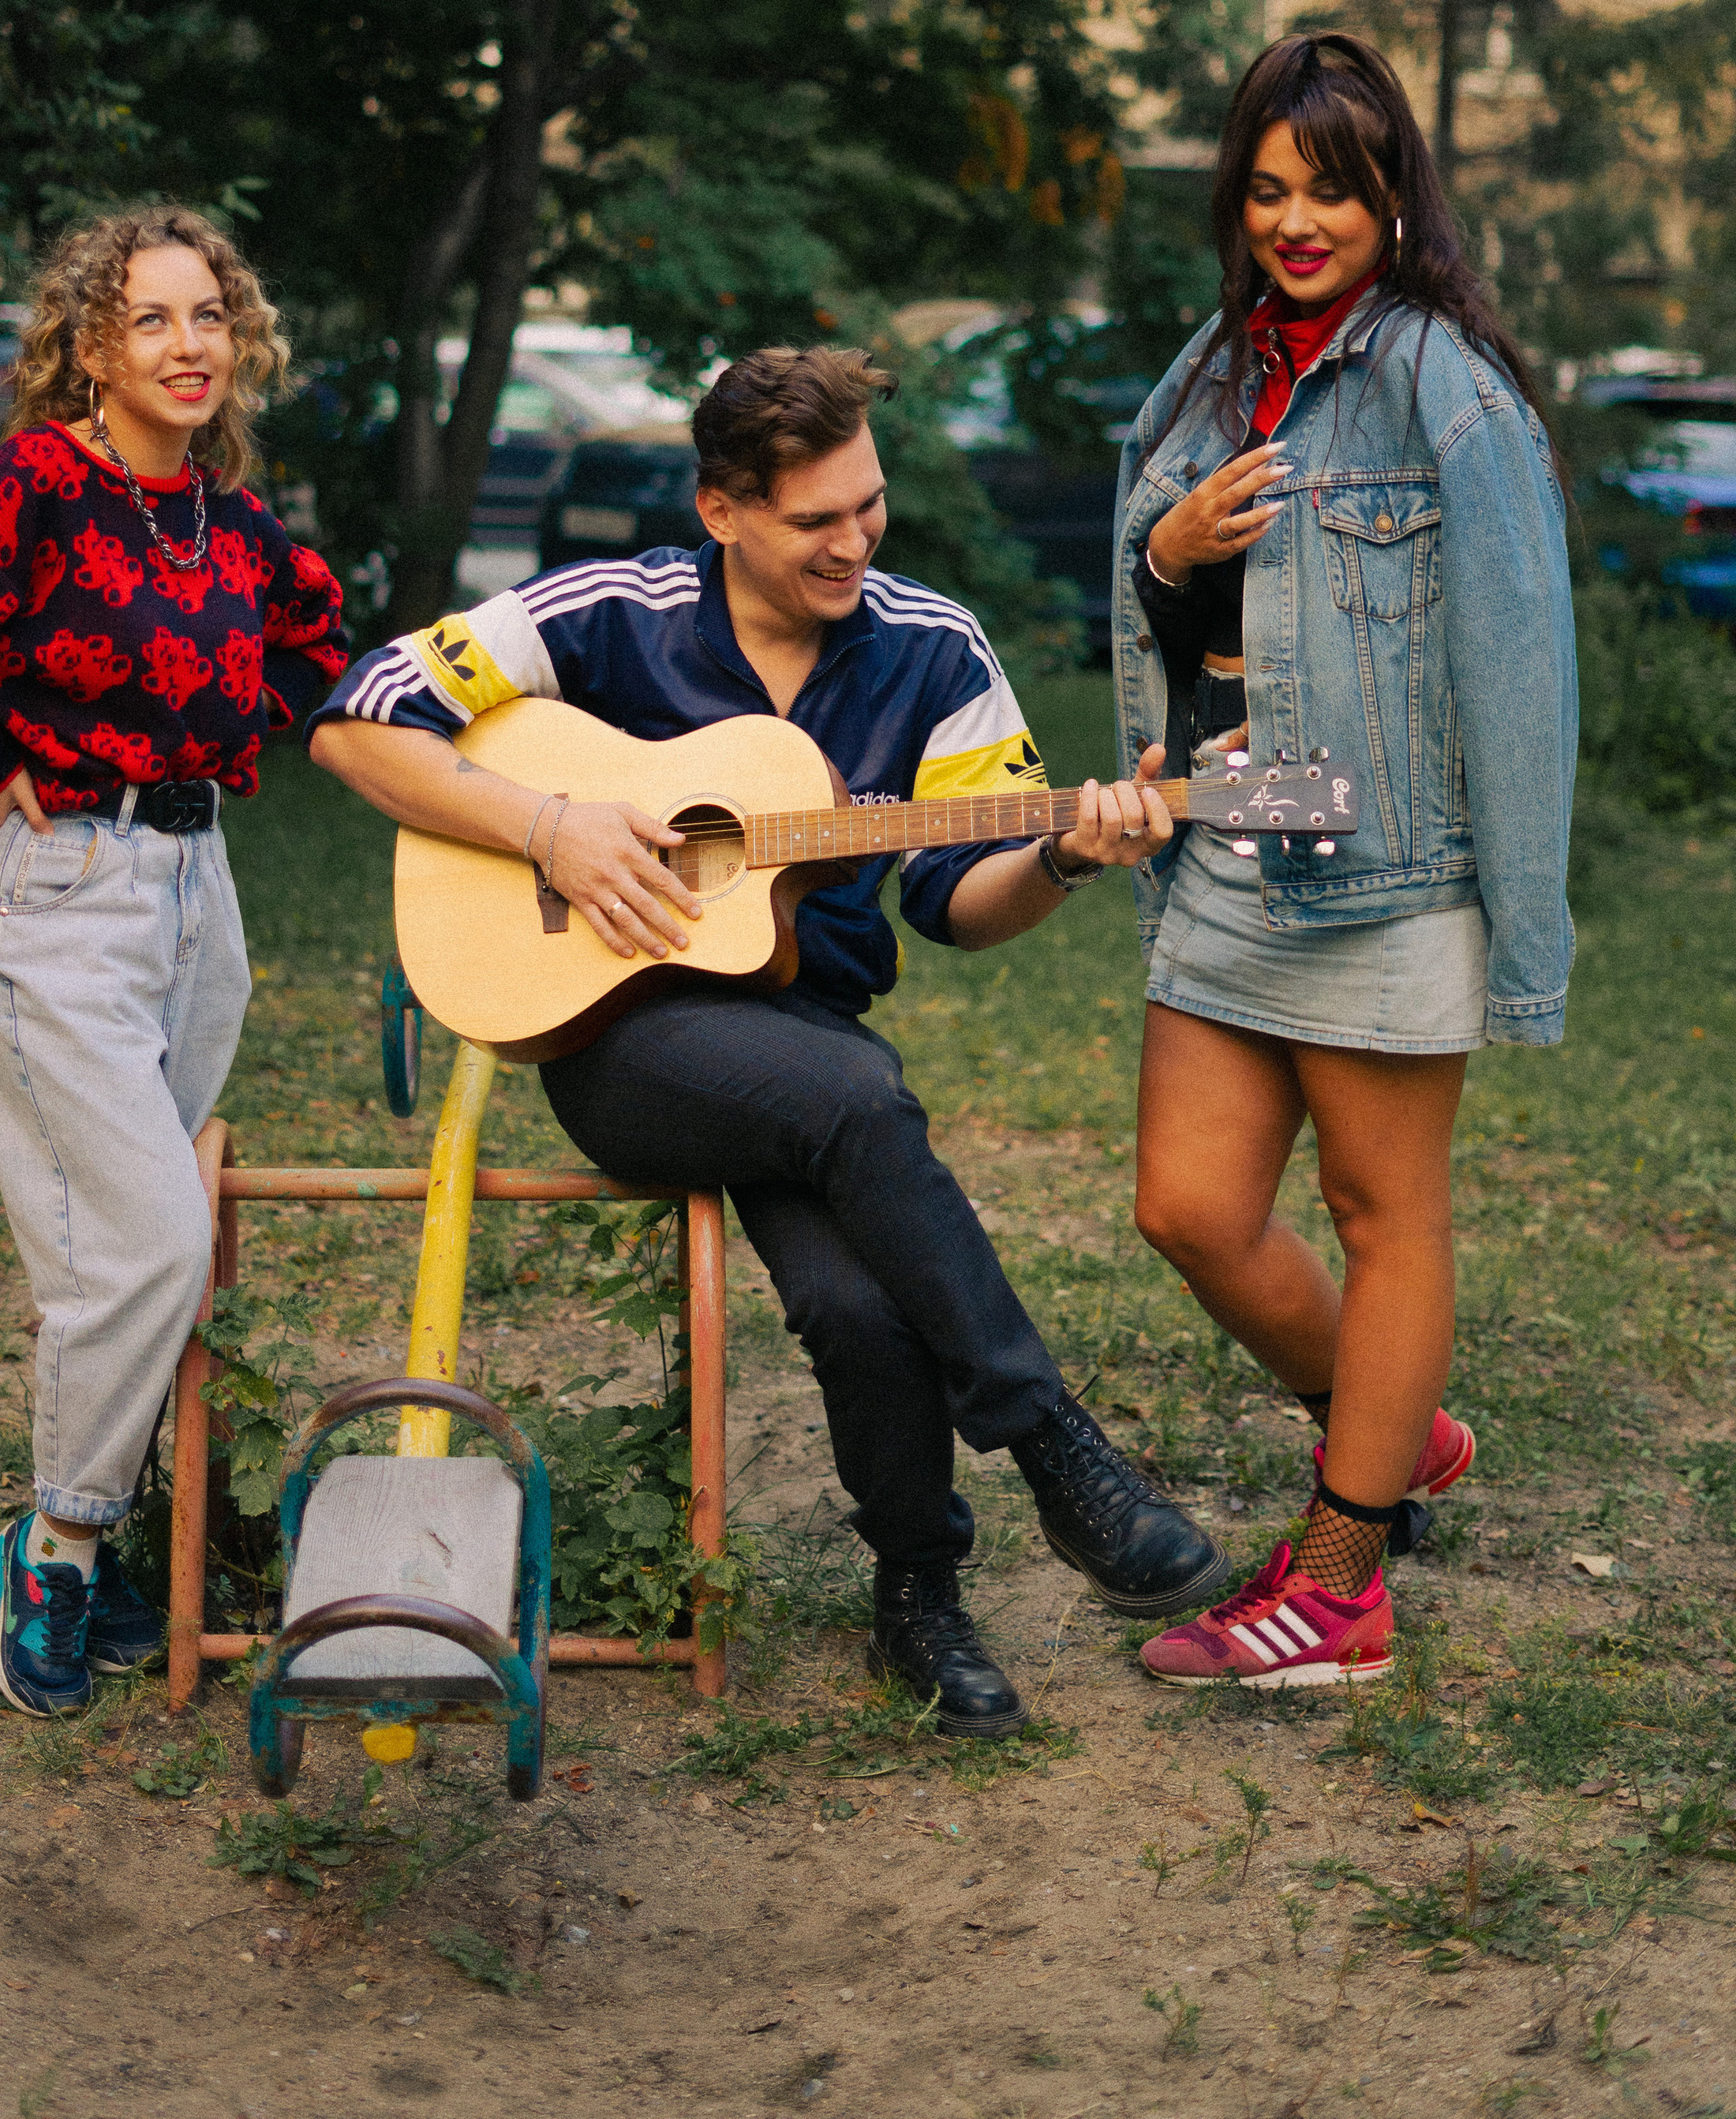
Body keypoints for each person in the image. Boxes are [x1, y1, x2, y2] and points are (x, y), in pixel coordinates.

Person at [311, 344, 1229, 1738]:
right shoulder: (608, 610)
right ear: (722, 510)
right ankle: (1055, 1448)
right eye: (814, 521)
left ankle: (919, 1593)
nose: (854, 543)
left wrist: (1063, 858)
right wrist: (551, 827)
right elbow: (357, 721)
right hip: (617, 1035)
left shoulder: (936, 648)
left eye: (869, 505)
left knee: (858, 1300)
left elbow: (957, 906)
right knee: (861, 1098)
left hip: (803, 1036)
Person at [0, 207, 347, 1715]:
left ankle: (98, 1541)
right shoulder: (41, 483)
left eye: (209, 316)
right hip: (59, 897)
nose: (189, 346)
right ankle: (53, 1554)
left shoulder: (230, 520)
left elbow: (322, 647)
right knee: (154, 1245)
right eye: (150, 319)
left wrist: (222, 735)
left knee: (122, 1254)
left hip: (196, 900)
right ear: (93, 349)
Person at [1109, 33, 1575, 1690]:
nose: (1294, 222)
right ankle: (1399, 1427)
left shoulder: (1446, 387)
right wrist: (1167, 555)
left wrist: (1518, 929)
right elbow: (1167, 612)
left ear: (1393, 195)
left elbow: (1520, 671)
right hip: (1235, 840)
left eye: (1330, 189)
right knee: (1186, 1207)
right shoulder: (1213, 372)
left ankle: (1339, 1579)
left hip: (1386, 864)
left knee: (1383, 1215)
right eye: (1264, 190)